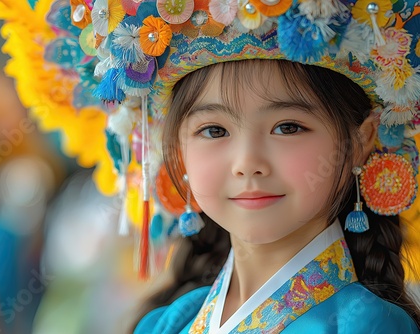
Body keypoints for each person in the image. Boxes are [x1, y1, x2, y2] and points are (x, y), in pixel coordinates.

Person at [65, 0, 420, 332]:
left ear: (360, 141)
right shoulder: (169, 322)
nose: (247, 164)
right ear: (176, 149)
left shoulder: (364, 324)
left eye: (288, 127)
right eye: (214, 130)